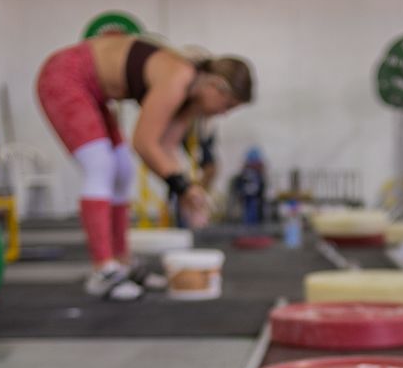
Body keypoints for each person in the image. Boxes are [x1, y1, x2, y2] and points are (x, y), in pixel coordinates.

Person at [37, 34, 253, 299]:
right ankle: (103, 270)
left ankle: (121, 261)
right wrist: (183, 187)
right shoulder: (179, 76)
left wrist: (191, 195)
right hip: (64, 76)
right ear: (216, 86)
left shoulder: (190, 101)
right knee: (101, 165)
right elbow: (144, 142)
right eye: (227, 105)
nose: (224, 113)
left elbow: (166, 149)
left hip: (94, 93)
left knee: (122, 169)